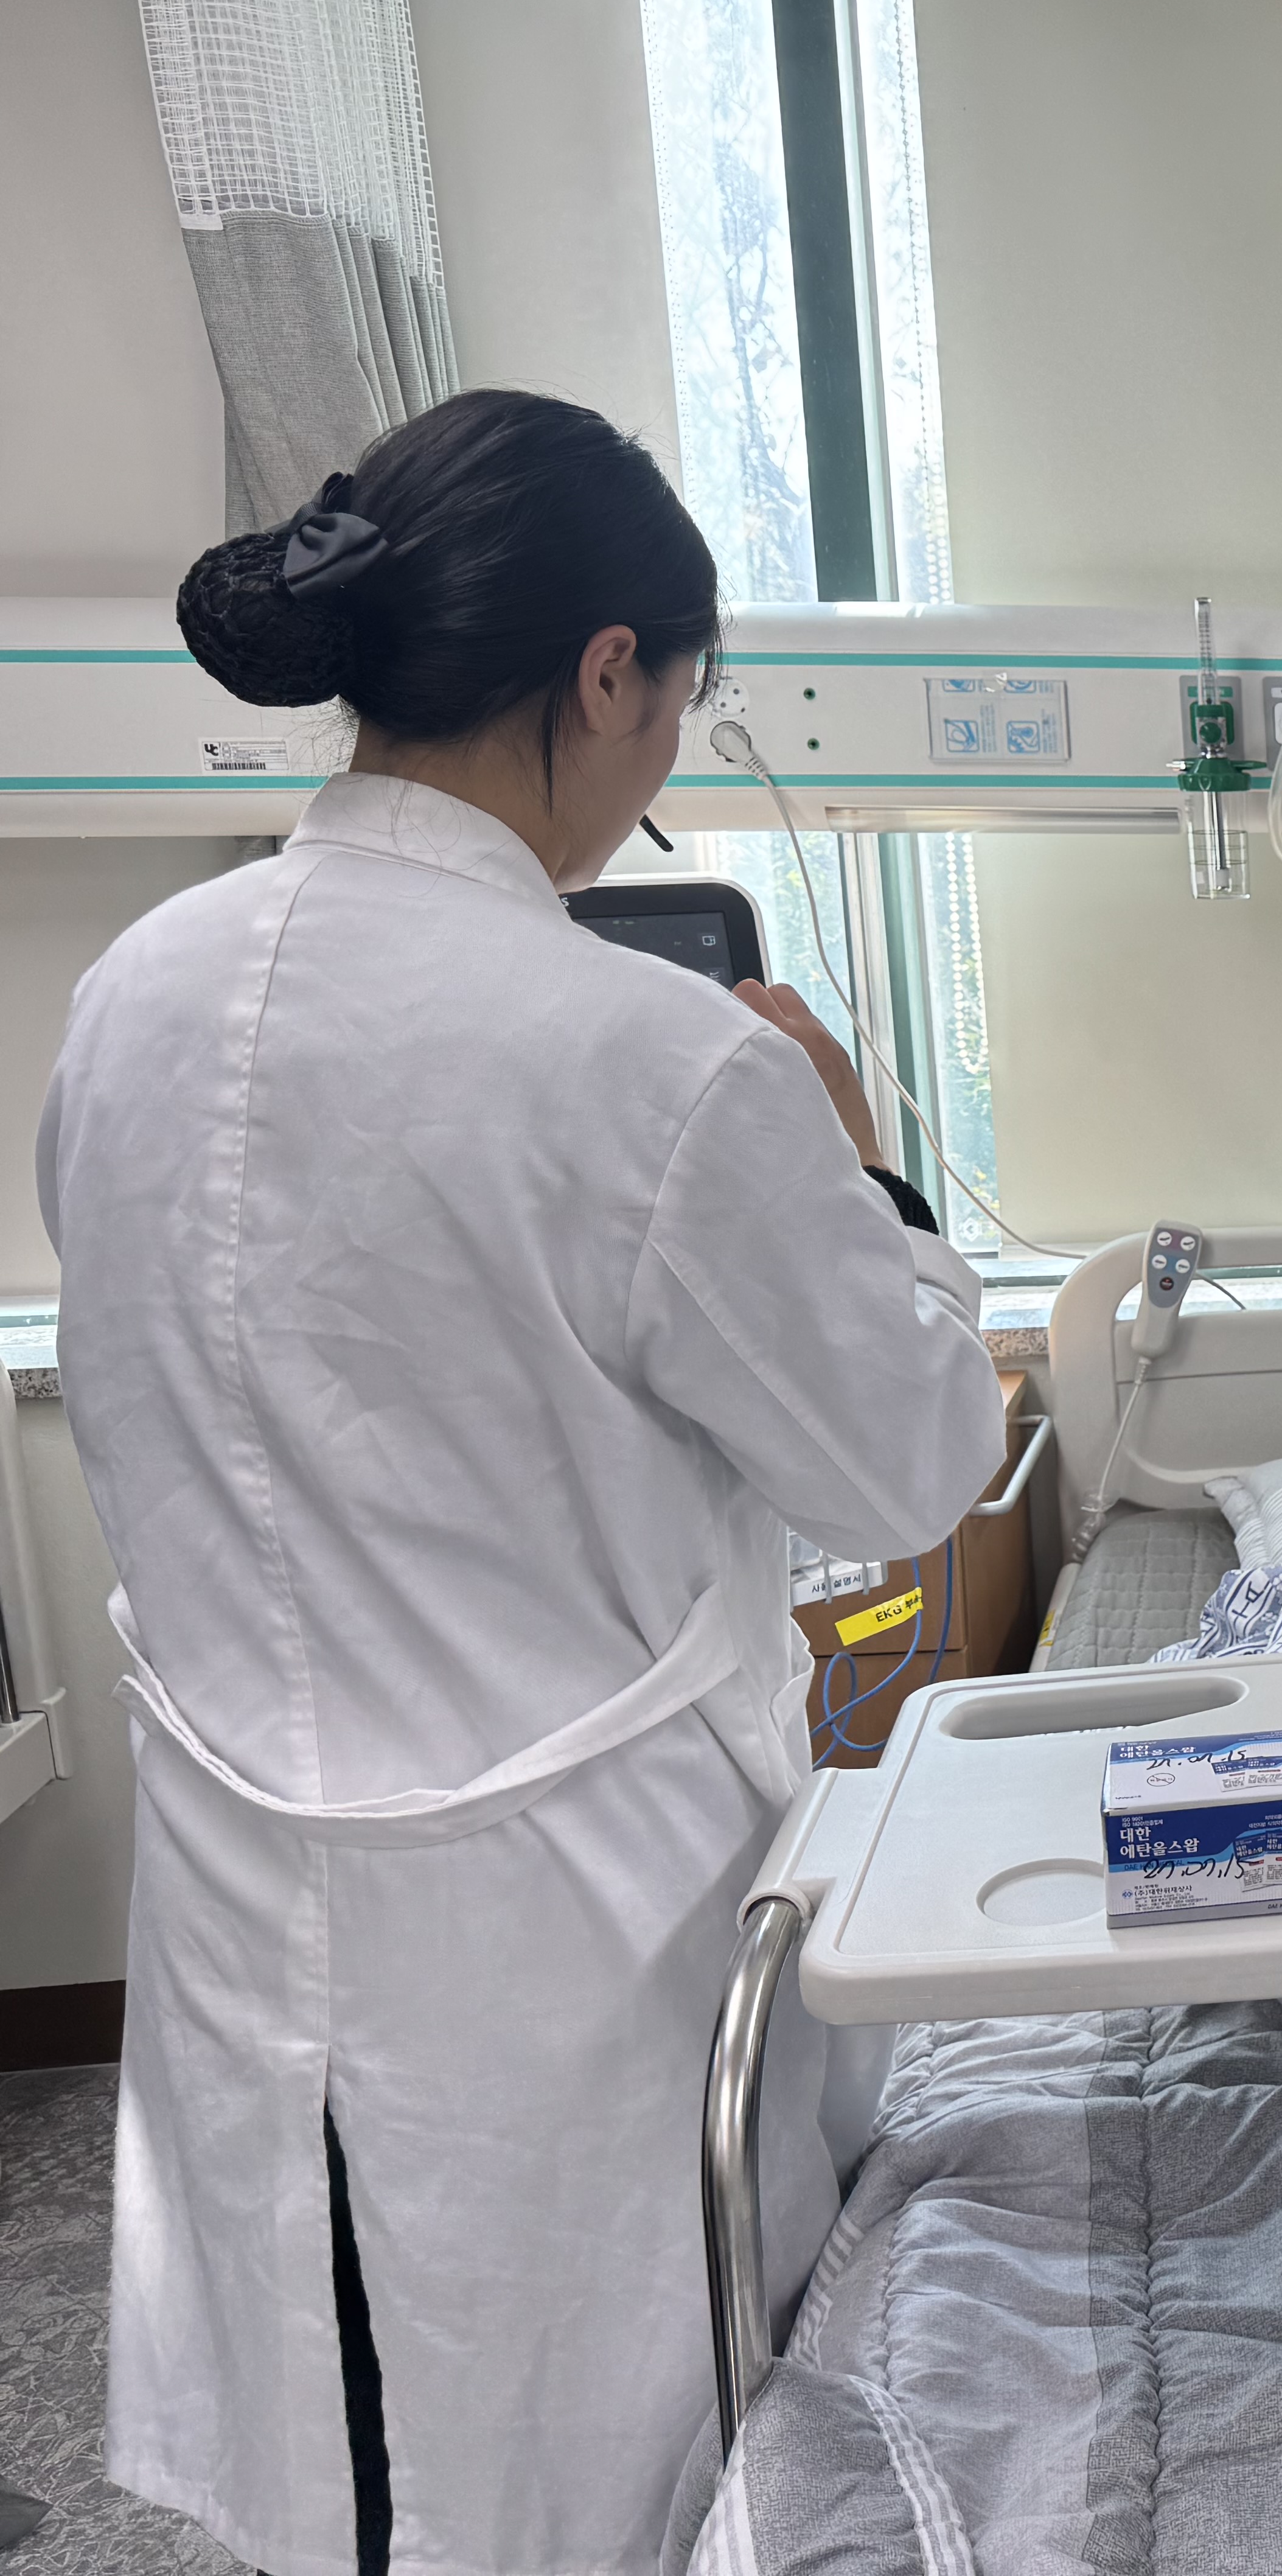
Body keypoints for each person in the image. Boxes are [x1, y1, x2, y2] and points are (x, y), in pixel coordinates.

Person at [37, 391, 1008, 2575]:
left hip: (244, 1894)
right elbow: (909, 1457)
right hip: (567, 1940)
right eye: (671, 712)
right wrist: (857, 1163)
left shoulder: (131, 1001)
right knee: (589, 2466)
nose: (658, 771)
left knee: (352, 2430)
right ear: (603, 671)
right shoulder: (654, 1063)